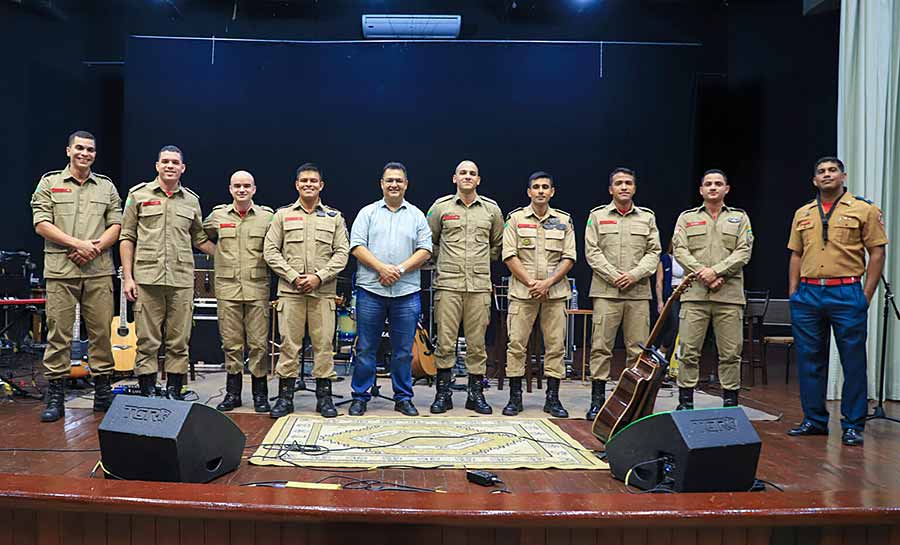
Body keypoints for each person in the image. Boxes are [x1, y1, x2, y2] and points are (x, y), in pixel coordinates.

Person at [786, 157, 887, 446]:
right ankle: (814, 420)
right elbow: (795, 253)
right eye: (821, 172)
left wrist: (865, 295)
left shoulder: (864, 209)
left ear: (843, 176)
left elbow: (877, 253)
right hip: (807, 295)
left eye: (832, 170)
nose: (827, 175)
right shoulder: (803, 212)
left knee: (852, 361)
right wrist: (794, 292)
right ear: (814, 181)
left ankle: (853, 425)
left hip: (846, 293)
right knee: (809, 360)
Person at [30, 130, 122, 422]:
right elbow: (41, 223)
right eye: (80, 148)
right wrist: (78, 244)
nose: (85, 153)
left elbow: (117, 225)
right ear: (68, 150)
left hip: (98, 270)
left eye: (91, 150)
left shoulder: (106, 187)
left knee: (102, 333)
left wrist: (93, 249)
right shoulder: (50, 183)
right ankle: (56, 394)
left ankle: (103, 393)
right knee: (59, 333)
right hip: (61, 270)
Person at [120, 146, 215, 398]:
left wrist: (231, 254)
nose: (170, 166)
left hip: (181, 280)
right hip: (146, 280)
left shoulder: (191, 200)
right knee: (147, 341)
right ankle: (148, 390)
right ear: (157, 166)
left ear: (183, 168)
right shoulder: (138, 195)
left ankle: (174, 390)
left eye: (175, 162)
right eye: (165, 162)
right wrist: (128, 278)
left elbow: (200, 239)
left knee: (178, 341)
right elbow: (127, 236)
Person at [264, 163, 349, 418]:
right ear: (297, 184)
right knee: (289, 345)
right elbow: (270, 250)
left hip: (322, 293)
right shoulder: (282, 215)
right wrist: (292, 277)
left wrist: (318, 277)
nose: (309, 184)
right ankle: (285, 398)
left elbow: (342, 253)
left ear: (321, 185)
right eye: (304, 180)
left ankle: (324, 398)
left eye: (314, 181)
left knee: (323, 345)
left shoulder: (334, 217)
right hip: (290, 293)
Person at [348, 162, 432, 416]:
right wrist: (382, 268)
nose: (394, 184)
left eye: (399, 180)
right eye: (389, 180)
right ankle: (360, 396)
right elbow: (356, 246)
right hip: (371, 290)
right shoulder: (367, 213)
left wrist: (400, 270)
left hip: (406, 292)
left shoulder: (417, 215)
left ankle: (403, 397)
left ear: (406, 184)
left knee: (404, 350)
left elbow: (426, 249)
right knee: (365, 348)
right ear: (381, 184)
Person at [426, 160, 504, 414]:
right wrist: (448, 263)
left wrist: (478, 264)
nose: (467, 177)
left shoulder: (491, 210)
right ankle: (443, 394)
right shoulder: (440, 207)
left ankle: (475, 395)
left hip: (479, 286)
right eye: (463, 173)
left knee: (477, 344)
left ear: (478, 180)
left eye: (472, 173)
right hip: (448, 284)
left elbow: (498, 245)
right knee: (445, 342)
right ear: (454, 178)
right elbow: (430, 242)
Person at [671, 169, 753, 409]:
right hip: (695, 296)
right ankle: (686, 402)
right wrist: (703, 274)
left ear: (726, 189)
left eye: (718, 184)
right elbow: (680, 250)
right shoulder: (686, 218)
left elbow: (744, 251)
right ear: (701, 190)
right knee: (688, 352)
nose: (713, 187)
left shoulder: (739, 218)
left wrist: (715, 271)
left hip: (728, 297)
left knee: (730, 353)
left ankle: (730, 403)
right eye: (708, 184)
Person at [583, 168, 661, 420]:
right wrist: (613, 275)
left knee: (637, 351)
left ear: (634, 188)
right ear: (611, 189)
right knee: (600, 347)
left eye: (628, 183)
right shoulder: (597, 216)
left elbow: (654, 252)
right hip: (606, 292)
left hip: (637, 293)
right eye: (619, 183)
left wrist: (635, 274)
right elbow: (591, 251)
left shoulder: (646, 218)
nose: (624, 187)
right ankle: (597, 402)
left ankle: (632, 404)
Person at [501, 171, 576, 418]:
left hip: (554, 294)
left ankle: (552, 400)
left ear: (552, 192)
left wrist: (548, 283)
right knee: (516, 345)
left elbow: (569, 257)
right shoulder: (515, 219)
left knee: (555, 346)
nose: (541, 191)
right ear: (529, 192)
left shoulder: (564, 220)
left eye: (545, 187)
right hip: (523, 293)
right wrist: (532, 282)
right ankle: (515, 398)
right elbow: (509, 255)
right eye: (536, 187)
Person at [203, 171, 274, 413]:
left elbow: (276, 246)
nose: (241, 190)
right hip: (227, 288)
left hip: (257, 288)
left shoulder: (267, 217)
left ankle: (260, 394)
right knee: (231, 344)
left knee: (258, 344)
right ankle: (233, 394)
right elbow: (199, 237)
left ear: (254, 189)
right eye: (237, 186)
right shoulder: (218, 215)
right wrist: (219, 255)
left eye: (246, 186)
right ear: (230, 189)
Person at [655, 240, 685, 355]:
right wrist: (660, 302)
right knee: (675, 324)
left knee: (685, 327)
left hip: (687, 295)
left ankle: (677, 357)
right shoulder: (666, 259)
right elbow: (659, 282)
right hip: (672, 296)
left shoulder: (690, 258)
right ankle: (661, 352)